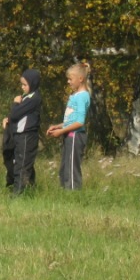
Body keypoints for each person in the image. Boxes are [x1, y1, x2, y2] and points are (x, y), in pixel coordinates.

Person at [47, 62, 91, 190]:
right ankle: (65, 191)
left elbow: (79, 122)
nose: (68, 82)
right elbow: (71, 120)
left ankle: (73, 193)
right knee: (65, 167)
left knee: (71, 167)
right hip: (70, 135)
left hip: (75, 136)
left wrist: (61, 132)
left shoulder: (82, 96)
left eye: (70, 79)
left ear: (80, 79)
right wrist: (57, 127)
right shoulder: (76, 96)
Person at [2, 69, 42, 194]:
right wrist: (8, 120)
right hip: (20, 136)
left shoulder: (34, 99)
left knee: (22, 165)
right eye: (22, 84)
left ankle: (19, 193)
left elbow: (15, 113)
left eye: (25, 84)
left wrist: (15, 104)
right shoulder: (26, 97)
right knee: (20, 162)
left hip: (27, 137)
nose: (22, 87)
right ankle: (30, 190)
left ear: (33, 83)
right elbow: (17, 117)